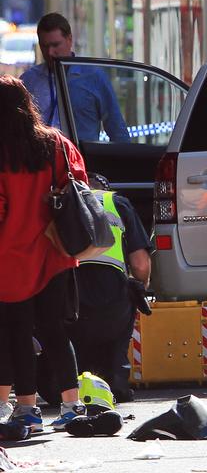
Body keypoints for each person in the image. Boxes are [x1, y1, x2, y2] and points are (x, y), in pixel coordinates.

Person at [0, 75, 88, 432]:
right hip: (54, 249)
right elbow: (79, 183)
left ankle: (28, 410)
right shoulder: (55, 142)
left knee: (17, 332)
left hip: (10, 256)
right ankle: (71, 404)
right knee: (54, 329)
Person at [68, 172, 152, 403]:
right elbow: (140, 263)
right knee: (115, 339)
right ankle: (116, 385)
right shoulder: (117, 203)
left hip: (70, 290)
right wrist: (140, 289)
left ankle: (70, 390)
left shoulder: (64, 202)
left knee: (70, 341)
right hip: (113, 292)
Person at [20, 13, 129, 143]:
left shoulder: (93, 77)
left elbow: (117, 130)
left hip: (81, 159)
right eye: (45, 46)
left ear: (69, 40)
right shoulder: (29, 80)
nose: (50, 52)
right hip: (42, 160)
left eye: (55, 45)